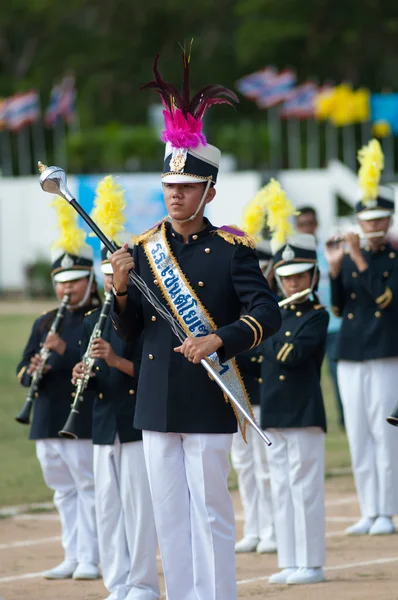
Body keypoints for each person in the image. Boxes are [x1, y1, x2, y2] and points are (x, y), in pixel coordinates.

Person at [109, 50, 281, 600]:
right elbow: (130, 330)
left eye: (186, 187)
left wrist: (218, 338)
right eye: (169, 186)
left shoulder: (232, 250)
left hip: (208, 390)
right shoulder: (141, 249)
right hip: (157, 395)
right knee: (168, 514)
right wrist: (118, 289)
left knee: (210, 509)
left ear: (209, 191)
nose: (175, 194)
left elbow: (266, 313)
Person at [72, 176, 160, 600]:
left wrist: (114, 359)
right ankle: (118, 583)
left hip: (133, 424)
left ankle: (142, 583)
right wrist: (82, 374)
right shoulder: (92, 321)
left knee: (139, 510)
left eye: (116, 276)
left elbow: (150, 373)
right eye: (105, 277)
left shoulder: (141, 318)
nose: (111, 283)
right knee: (108, 510)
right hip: (102, 426)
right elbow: (97, 374)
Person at [16, 199, 100, 580]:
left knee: (88, 487)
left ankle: (93, 557)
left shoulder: (100, 316)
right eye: (61, 283)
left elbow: (96, 362)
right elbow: (23, 365)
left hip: (80, 416)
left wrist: (64, 352)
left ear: (89, 280)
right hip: (47, 413)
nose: (67, 289)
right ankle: (73, 554)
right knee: (63, 492)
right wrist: (29, 370)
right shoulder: (45, 320)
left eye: (75, 281)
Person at [325, 139, 398, 536]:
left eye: (377, 221)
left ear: (387, 222)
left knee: (384, 431)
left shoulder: (390, 258)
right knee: (357, 430)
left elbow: (385, 299)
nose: (369, 227)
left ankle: (387, 509)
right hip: (352, 351)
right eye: (365, 221)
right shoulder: (353, 259)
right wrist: (336, 271)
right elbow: (339, 308)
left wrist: (357, 259)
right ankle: (369, 508)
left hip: (386, 350)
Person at [259, 179, 329, 585]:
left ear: (313, 276)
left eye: (301, 277)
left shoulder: (315, 315)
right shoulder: (276, 315)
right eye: (287, 277)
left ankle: (312, 563)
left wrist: (263, 337)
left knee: (304, 488)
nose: (293, 283)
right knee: (281, 488)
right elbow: (253, 354)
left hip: (303, 411)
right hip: (274, 410)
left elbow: (291, 353)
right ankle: (290, 559)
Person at [296, 206, 344, 428]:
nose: (306, 228)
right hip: (307, 324)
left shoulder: (328, 249)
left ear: (316, 224)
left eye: (310, 223)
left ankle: (345, 421)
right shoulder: (293, 254)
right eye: (302, 224)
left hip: (334, 325)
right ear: (297, 227)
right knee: (307, 376)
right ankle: (310, 420)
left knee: (339, 376)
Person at [231, 347, 276, 554]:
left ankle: (271, 530)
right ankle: (253, 529)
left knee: (264, 467)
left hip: (260, 395)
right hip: (235, 396)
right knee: (243, 466)